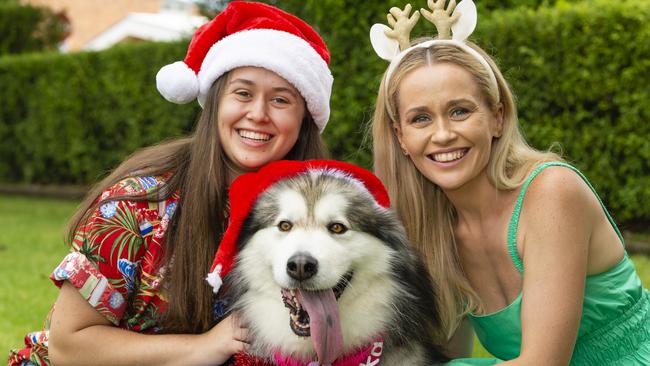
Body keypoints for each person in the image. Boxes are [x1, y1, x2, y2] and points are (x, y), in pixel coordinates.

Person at [8, 2, 334, 365]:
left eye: (280, 99)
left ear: (304, 118)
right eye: (242, 93)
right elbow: (69, 347)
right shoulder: (139, 203)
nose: (258, 114)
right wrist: (206, 345)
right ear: (214, 103)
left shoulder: (322, 214)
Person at [369, 0, 649, 365]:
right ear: (401, 137)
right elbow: (444, 355)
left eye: (460, 111)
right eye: (420, 119)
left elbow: (543, 362)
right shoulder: (432, 232)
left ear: (497, 117)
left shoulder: (550, 192)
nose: (443, 134)